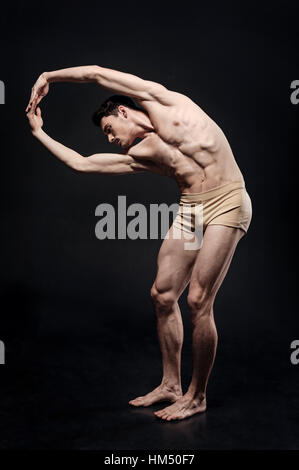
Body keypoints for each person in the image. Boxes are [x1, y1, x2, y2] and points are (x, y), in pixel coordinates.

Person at [25, 65, 252, 421]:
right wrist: (39, 132)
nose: (111, 139)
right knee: (162, 295)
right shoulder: (143, 155)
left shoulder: (165, 102)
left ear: (123, 111)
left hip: (229, 200)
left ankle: (197, 396)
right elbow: (83, 164)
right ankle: (170, 384)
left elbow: (97, 74)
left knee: (197, 300)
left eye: (110, 130)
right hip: (191, 210)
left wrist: (49, 76)